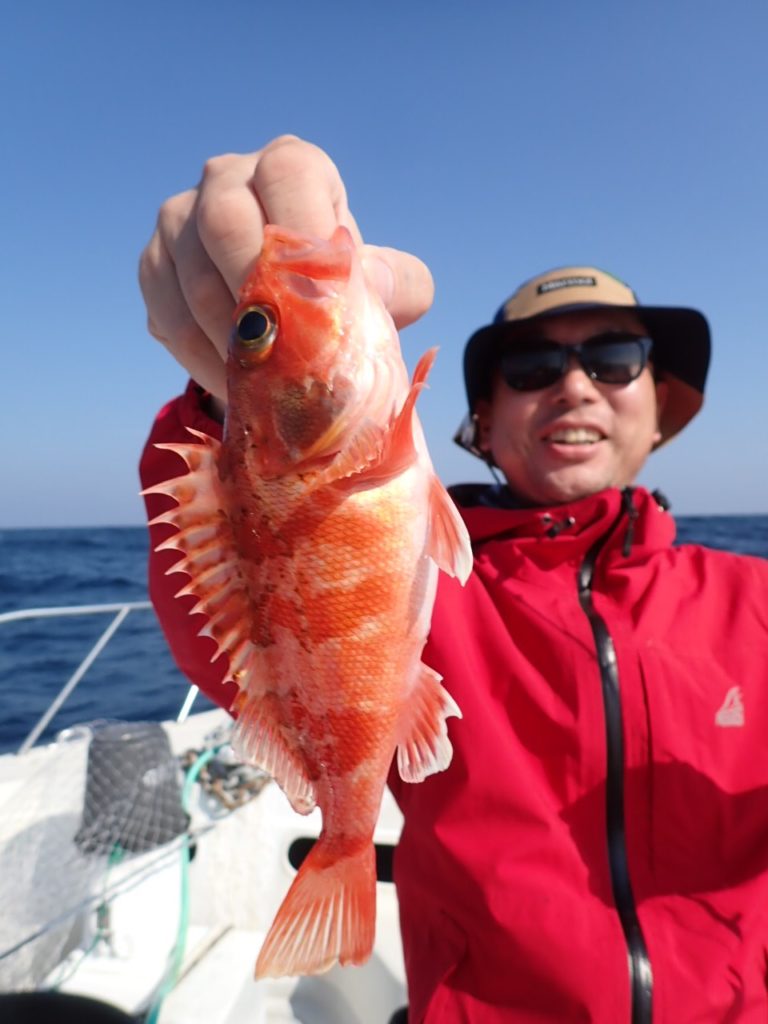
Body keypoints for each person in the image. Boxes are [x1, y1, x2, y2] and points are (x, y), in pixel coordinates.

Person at [139, 136, 768, 1023]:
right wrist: (223, 396)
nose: (575, 386)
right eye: (533, 368)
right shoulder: (448, 588)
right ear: (483, 419)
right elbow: (226, 629)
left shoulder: (755, 602)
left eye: (615, 358)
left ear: (660, 403)